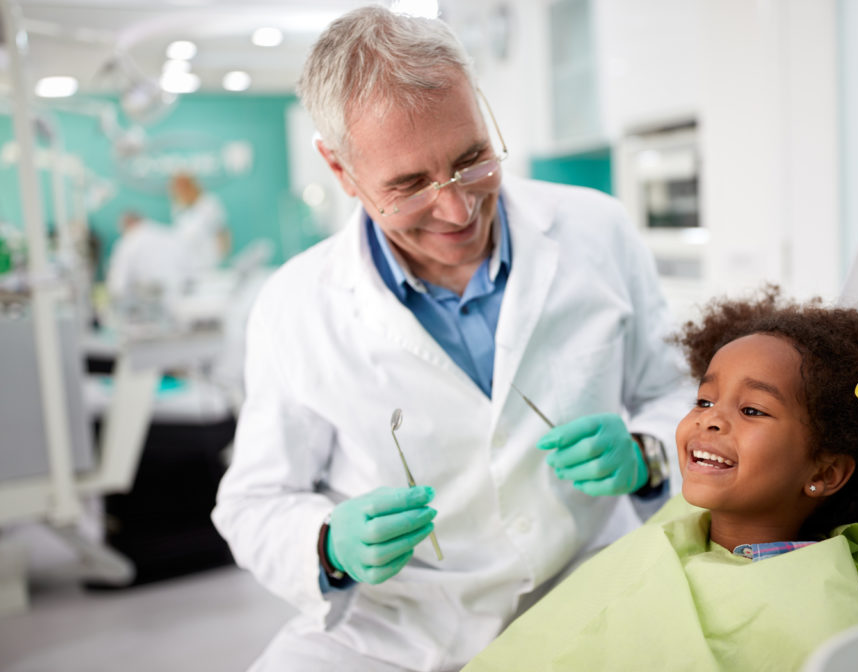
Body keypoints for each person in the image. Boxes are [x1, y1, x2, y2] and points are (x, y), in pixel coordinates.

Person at [211, 6, 688, 671]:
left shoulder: (598, 231)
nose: (458, 210)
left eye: (472, 160)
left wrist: (649, 454)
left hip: (586, 585)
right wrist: (327, 546)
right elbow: (255, 503)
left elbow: (675, 393)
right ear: (341, 171)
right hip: (398, 629)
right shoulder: (295, 307)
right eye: (408, 186)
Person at [463, 287, 858, 671]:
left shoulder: (825, 608)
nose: (709, 417)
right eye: (704, 399)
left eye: (753, 411)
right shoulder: (679, 523)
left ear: (824, 473)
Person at [105, 210, 189, 310]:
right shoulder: (168, 234)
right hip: (180, 300)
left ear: (128, 224)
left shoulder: (128, 242)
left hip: (149, 307)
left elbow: (117, 285)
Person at [168, 172, 229, 275]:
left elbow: (222, 232)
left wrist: (221, 260)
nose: (180, 191)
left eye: (183, 186)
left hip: (209, 264)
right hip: (187, 266)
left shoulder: (208, 204)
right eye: (177, 188)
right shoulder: (177, 207)